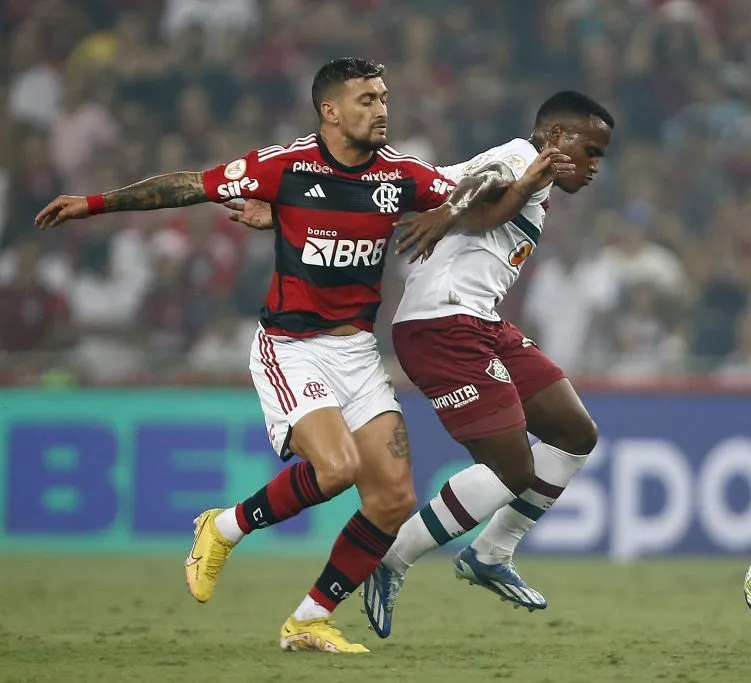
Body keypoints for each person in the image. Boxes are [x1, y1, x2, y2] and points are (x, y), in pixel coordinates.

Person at [34, 57, 572, 654]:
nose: (382, 109)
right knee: (338, 468)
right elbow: (191, 184)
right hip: (291, 349)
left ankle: (308, 619)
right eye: (367, 100)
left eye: (385, 97)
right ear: (331, 110)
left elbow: (481, 195)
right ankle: (225, 526)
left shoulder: (401, 175)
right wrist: (93, 202)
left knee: (393, 499)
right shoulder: (284, 167)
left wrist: (504, 191)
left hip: (359, 354)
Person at [226, 90, 614, 638]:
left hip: (481, 322)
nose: (596, 165)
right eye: (591, 150)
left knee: (576, 433)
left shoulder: (525, 174)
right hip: (442, 328)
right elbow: (482, 188)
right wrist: (454, 211)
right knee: (514, 471)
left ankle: (492, 553)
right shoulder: (517, 158)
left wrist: (297, 211)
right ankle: (392, 557)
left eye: (601, 155)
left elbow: (401, 187)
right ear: (554, 137)